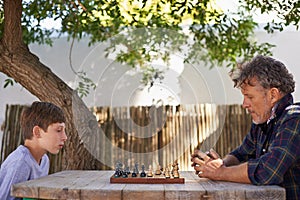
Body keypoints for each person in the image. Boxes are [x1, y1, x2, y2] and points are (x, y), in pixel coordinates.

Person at [191, 55, 300, 199]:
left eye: (250, 97)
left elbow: (268, 171)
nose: (244, 104)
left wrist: (220, 173)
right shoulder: (263, 121)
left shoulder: (294, 118)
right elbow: (241, 154)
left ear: (273, 95)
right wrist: (219, 164)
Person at [0, 101, 67, 200]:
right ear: (37, 132)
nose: (65, 137)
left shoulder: (44, 160)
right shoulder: (21, 163)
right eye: (58, 130)